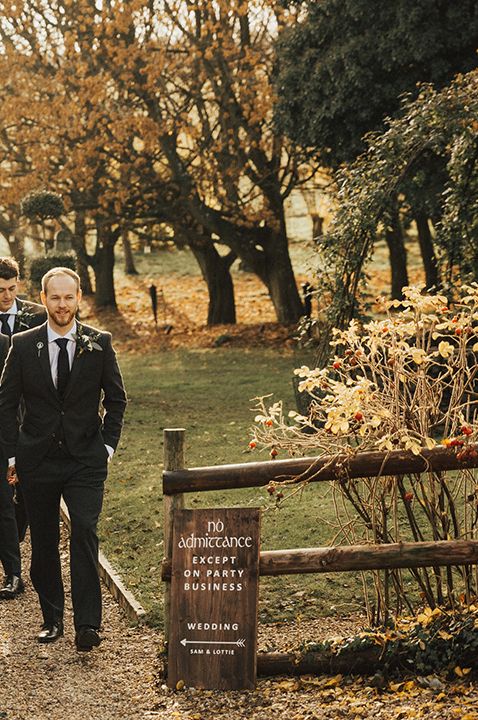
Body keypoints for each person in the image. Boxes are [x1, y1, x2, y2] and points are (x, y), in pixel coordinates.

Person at [0, 266, 127, 650]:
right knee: (42, 541)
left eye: (68, 297)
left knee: (85, 531)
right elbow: (5, 405)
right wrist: (10, 456)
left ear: (79, 298)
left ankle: (88, 624)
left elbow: (117, 400)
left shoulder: (99, 343)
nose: (62, 304)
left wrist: (106, 446)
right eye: (54, 297)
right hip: (36, 460)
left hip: (86, 459)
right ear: (43, 298)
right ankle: (52, 617)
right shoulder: (23, 345)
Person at [0, 256, 46, 601]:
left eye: (11, 289)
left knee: (27, 490)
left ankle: (13, 539)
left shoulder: (37, 315)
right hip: (3, 414)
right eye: (0, 290)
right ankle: (12, 563)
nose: (6, 296)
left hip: (32, 415)